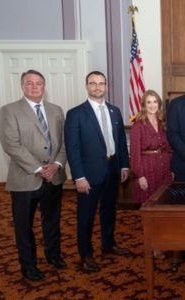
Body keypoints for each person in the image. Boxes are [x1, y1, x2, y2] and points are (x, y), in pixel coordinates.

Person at [0, 69, 67, 281]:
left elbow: (65, 142)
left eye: (39, 83)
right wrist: (39, 168)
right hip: (26, 178)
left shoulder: (56, 110)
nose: (35, 87)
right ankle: (28, 266)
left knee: (52, 220)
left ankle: (53, 255)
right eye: (30, 83)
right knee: (23, 225)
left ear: (44, 87)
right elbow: (11, 145)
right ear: (22, 86)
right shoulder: (9, 111)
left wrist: (56, 164)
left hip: (54, 177)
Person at [64, 71, 130, 273]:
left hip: (112, 170)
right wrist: (79, 177)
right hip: (89, 175)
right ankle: (86, 255)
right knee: (86, 216)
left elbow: (120, 141)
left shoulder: (114, 111)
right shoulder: (76, 114)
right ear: (87, 86)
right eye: (93, 83)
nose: (97, 87)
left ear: (106, 87)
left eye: (101, 84)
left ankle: (108, 244)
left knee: (109, 211)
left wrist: (124, 165)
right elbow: (72, 148)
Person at [130, 90, 173, 205]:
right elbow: (135, 154)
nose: (152, 105)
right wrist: (140, 176)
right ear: (144, 105)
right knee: (149, 205)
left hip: (164, 169)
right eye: (148, 102)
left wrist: (171, 168)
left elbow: (169, 148)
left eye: (155, 102)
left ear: (159, 104)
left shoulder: (162, 123)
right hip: (147, 170)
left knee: (164, 203)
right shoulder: (138, 125)